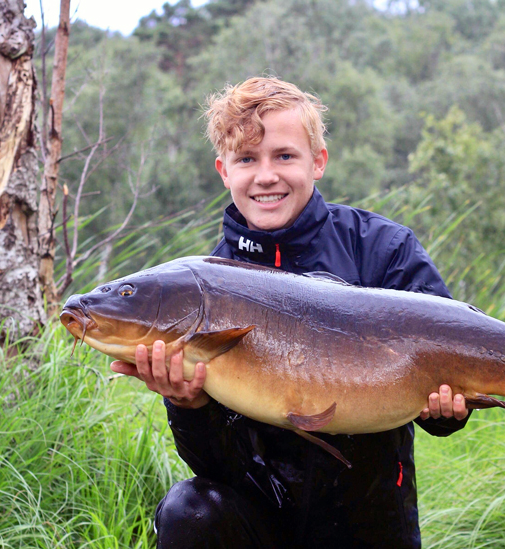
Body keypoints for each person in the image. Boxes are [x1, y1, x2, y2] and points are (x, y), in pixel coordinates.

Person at [109, 77, 470, 548]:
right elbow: (213, 466)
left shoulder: (384, 249)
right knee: (188, 511)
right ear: (224, 170)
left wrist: (447, 411)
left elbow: (444, 404)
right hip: (262, 518)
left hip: (372, 518)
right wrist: (187, 404)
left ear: (317, 161)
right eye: (246, 159)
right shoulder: (198, 290)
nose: (266, 176)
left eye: (284, 156)